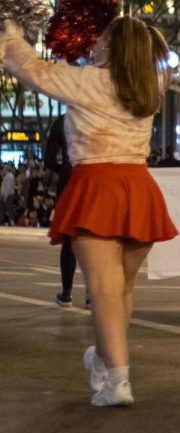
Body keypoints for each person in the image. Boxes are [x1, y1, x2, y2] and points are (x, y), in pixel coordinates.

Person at [0, 16, 176, 407]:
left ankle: (119, 380)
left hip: (97, 184)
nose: (93, 44)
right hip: (138, 186)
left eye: (100, 38)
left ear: (112, 47)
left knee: (103, 288)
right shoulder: (150, 86)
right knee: (122, 288)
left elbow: (35, 71)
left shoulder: (89, 81)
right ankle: (103, 360)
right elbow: (159, 60)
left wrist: (12, 37)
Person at [44, 114, 81, 307]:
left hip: (68, 179)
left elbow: (48, 159)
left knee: (69, 237)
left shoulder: (61, 121)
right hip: (94, 176)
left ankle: (67, 292)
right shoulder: (94, 116)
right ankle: (93, 294)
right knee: (97, 236)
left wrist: (64, 169)